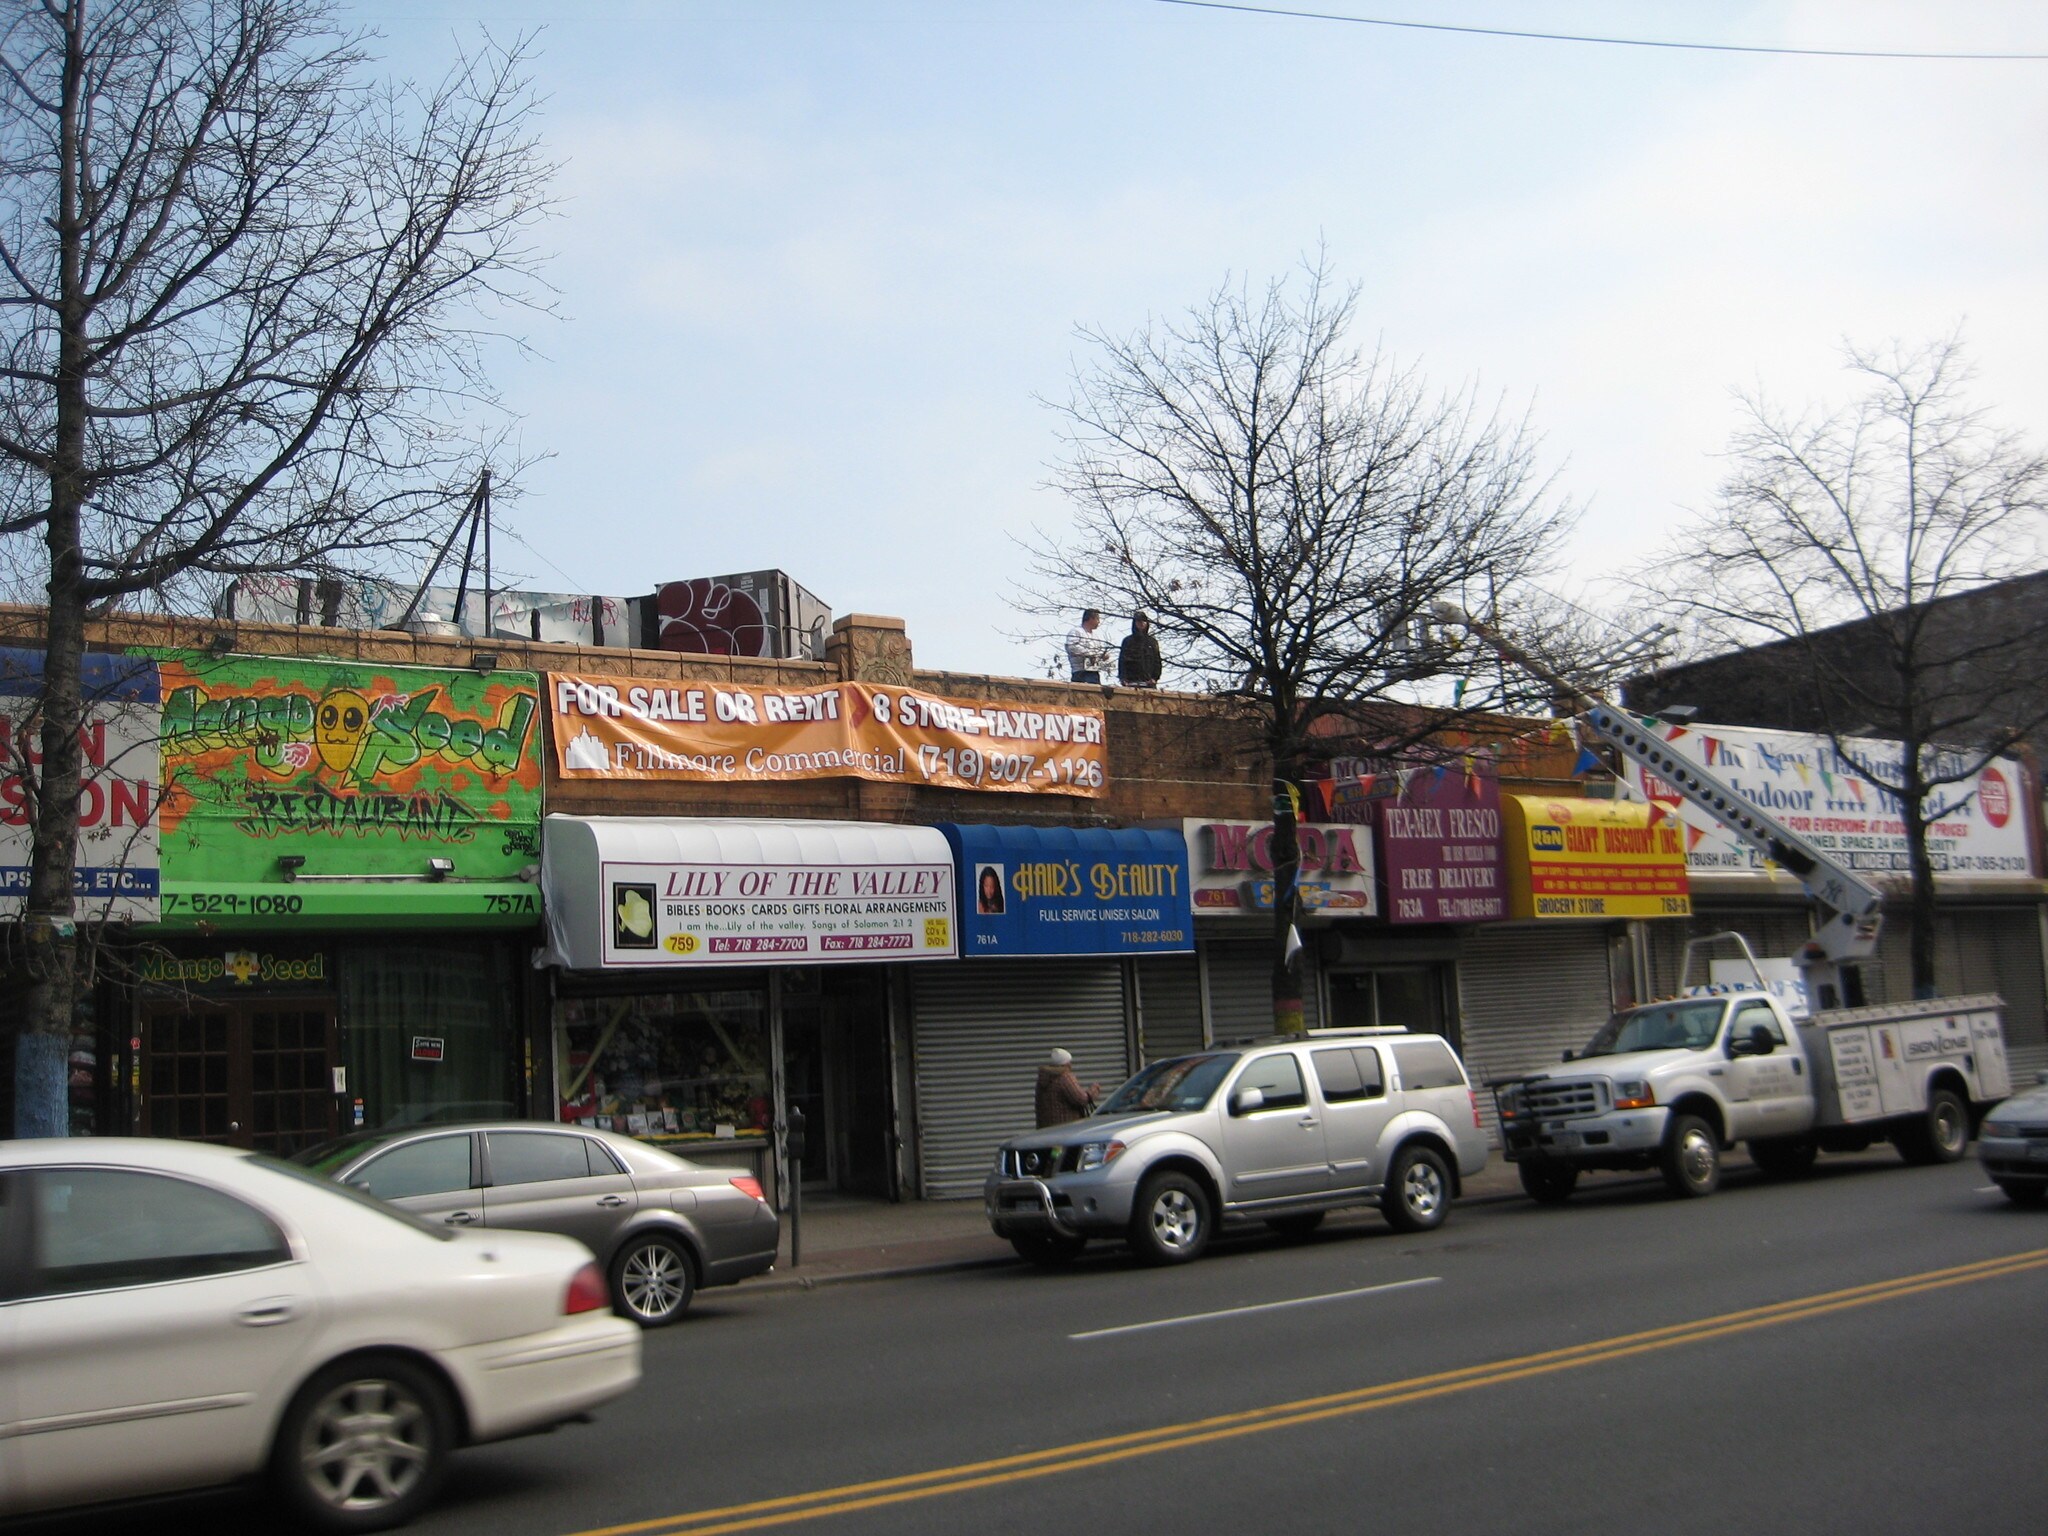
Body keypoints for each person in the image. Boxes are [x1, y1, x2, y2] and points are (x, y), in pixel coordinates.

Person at [1035, 1047, 1100, 1128]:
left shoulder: (1043, 1078)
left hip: (1046, 1128)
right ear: (1066, 1064)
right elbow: (1081, 1099)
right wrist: (1093, 1090)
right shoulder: (1064, 1077)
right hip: (1065, 1127)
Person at [1065, 608, 1113, 684]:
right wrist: (1091, 654)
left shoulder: (1095, 636)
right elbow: (1072, 648)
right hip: (1080, 672)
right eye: (1097, 619)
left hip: (1094, 671)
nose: (1099, 622)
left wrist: (1103, 656)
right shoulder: (1076, 631)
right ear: (1091, 619)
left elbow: (1099, 652)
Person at [1118, 611, 1162, 688]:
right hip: (1131, 682)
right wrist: (1123, 678)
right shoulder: (1128, 641)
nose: (1141, 623)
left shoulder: (1152, 642)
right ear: (1134, 623)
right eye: (1138, 621)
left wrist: (1155, 678)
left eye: (1143, 621)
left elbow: (1157, 661)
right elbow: (1122, 661)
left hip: (1148, 683)